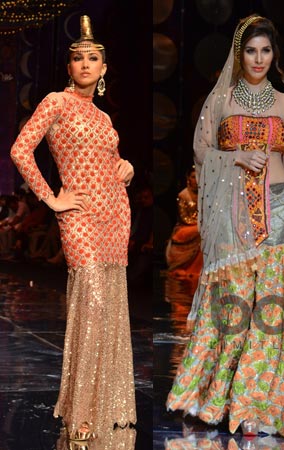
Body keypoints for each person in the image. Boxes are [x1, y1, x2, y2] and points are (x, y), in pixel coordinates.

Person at [166, 15, 284, 442]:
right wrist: (235, 157)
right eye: (251, 51)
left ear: (275, 55)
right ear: (239, 54)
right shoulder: (220, 100)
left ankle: (257, 406)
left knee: (275, 310)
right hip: (233, 210)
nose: (259, 59)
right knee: (232, 306)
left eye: (266, 51)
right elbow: (201, 151)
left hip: (279, 207)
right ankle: (214, 397)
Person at [10, 15, 136, 440]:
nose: (85, 64)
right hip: (79, 215)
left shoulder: (102, 117)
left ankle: (105, 405)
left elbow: (111, 161)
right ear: (68, 67)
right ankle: (81, 410)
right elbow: (20, 150)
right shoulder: (56, 102)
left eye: (93, 58)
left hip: (115, 214)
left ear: (103, 68)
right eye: (78, 58)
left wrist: (127, 167)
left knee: (109, 307)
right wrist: (51, 200)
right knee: (91, 304)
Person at [165, 166, 203, 279]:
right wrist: (200, 223)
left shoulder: (204, 195)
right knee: (201, 230)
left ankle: (197, 268)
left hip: (199, 225)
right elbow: (184, 218)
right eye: (193, 177)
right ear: (188, 178)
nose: (196, 180)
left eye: (198, 177)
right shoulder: (183, 195)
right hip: (185, 227)